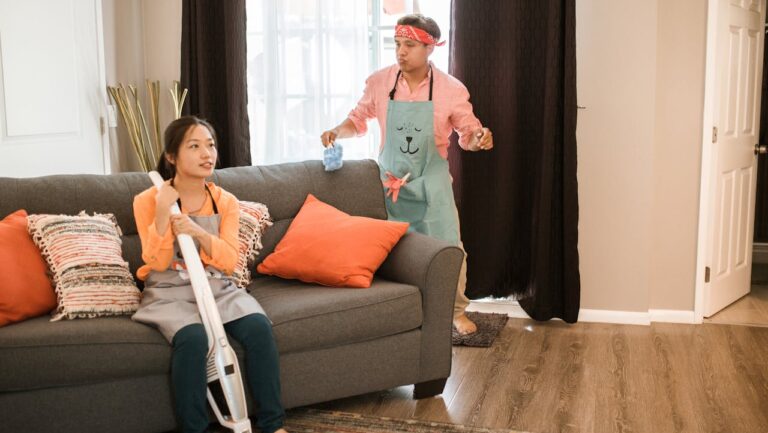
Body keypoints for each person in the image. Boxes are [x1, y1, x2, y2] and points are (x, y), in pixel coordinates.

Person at [320, 14, 493, 335]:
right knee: (392, 250)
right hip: (390, 182)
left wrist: (479, 138)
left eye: (409, 45)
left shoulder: (451, 90)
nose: (401, 51)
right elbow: (358, 120)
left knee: (449, 247)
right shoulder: (379, 82)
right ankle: (398, 312)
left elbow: (468, 134)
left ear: (430, 48)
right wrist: (337, 131)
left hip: (433, 183)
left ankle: (455, 311)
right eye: (397, 43)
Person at [132, 116, 288, 433]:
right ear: (172, 156)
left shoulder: (225, 201)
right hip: (170, 292)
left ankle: (273, 424)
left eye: (211, 145)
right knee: (193, 339)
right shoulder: (147, 200)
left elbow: (229, 262)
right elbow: (156, 261)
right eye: (194, 146)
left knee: (259, 328)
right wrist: (162, 212)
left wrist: (198, 233)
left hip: (217, 286)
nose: (207, 154)